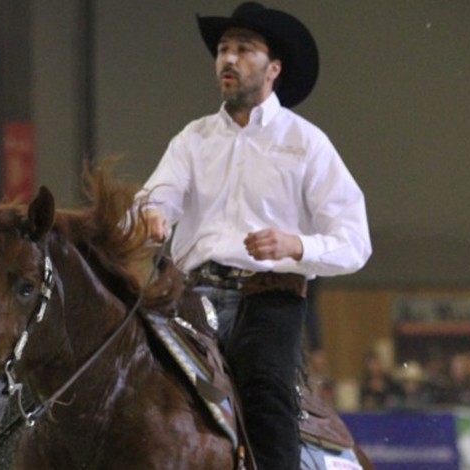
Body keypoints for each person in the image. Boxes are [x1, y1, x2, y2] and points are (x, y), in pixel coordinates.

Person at [139, 3, 371, 468]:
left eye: (244, 49)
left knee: (265, 391)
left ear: (274, 69)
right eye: (224, 49)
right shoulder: (193, 139)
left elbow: (355, 241)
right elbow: (157, 194)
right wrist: (153, 212)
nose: (228, 58)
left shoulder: (306, 143)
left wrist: (296, 245)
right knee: (135, 377)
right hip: (189, 296)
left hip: (269, 298)